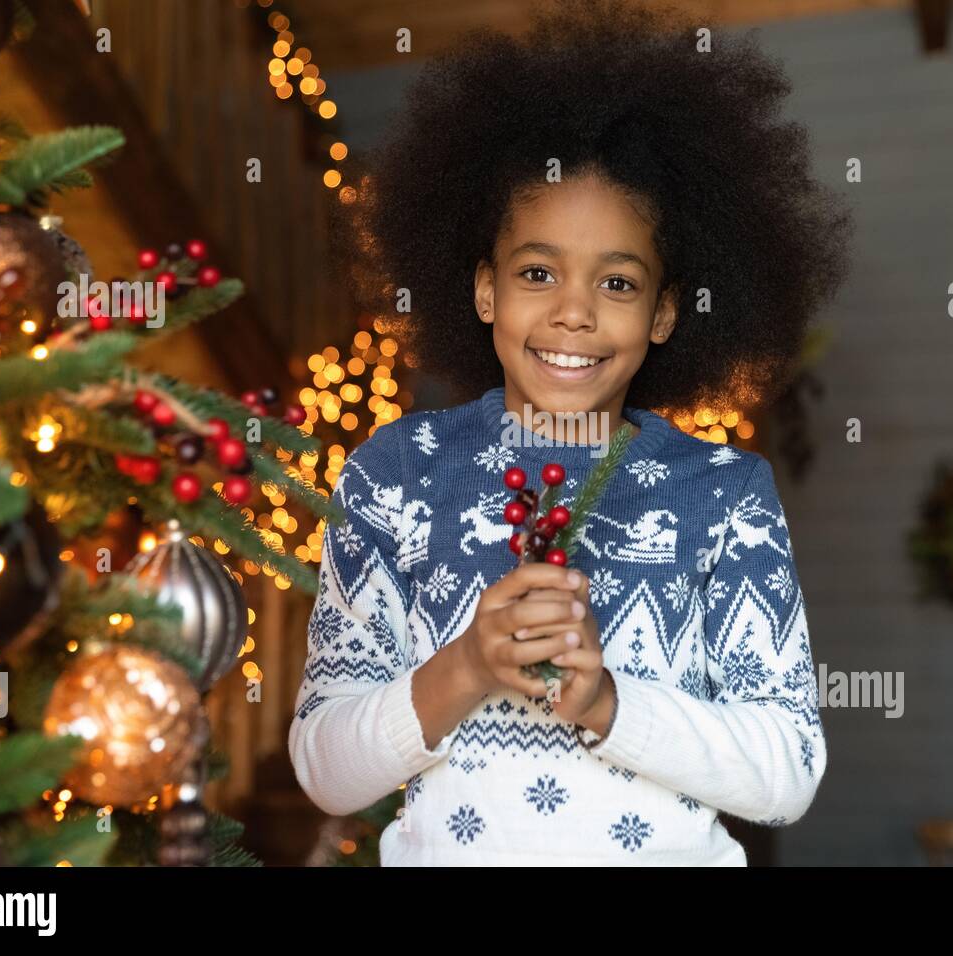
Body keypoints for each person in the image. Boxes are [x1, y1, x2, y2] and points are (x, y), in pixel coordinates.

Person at [289, 0, 852, 865]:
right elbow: (326, 772)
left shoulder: (725, 494)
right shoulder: (394, 473)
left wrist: (607, 704)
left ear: (666, 313)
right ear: (484, 291)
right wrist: (468, 667)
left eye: (619, 284)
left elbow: (789, 773)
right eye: (538, 271)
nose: (574, 313)